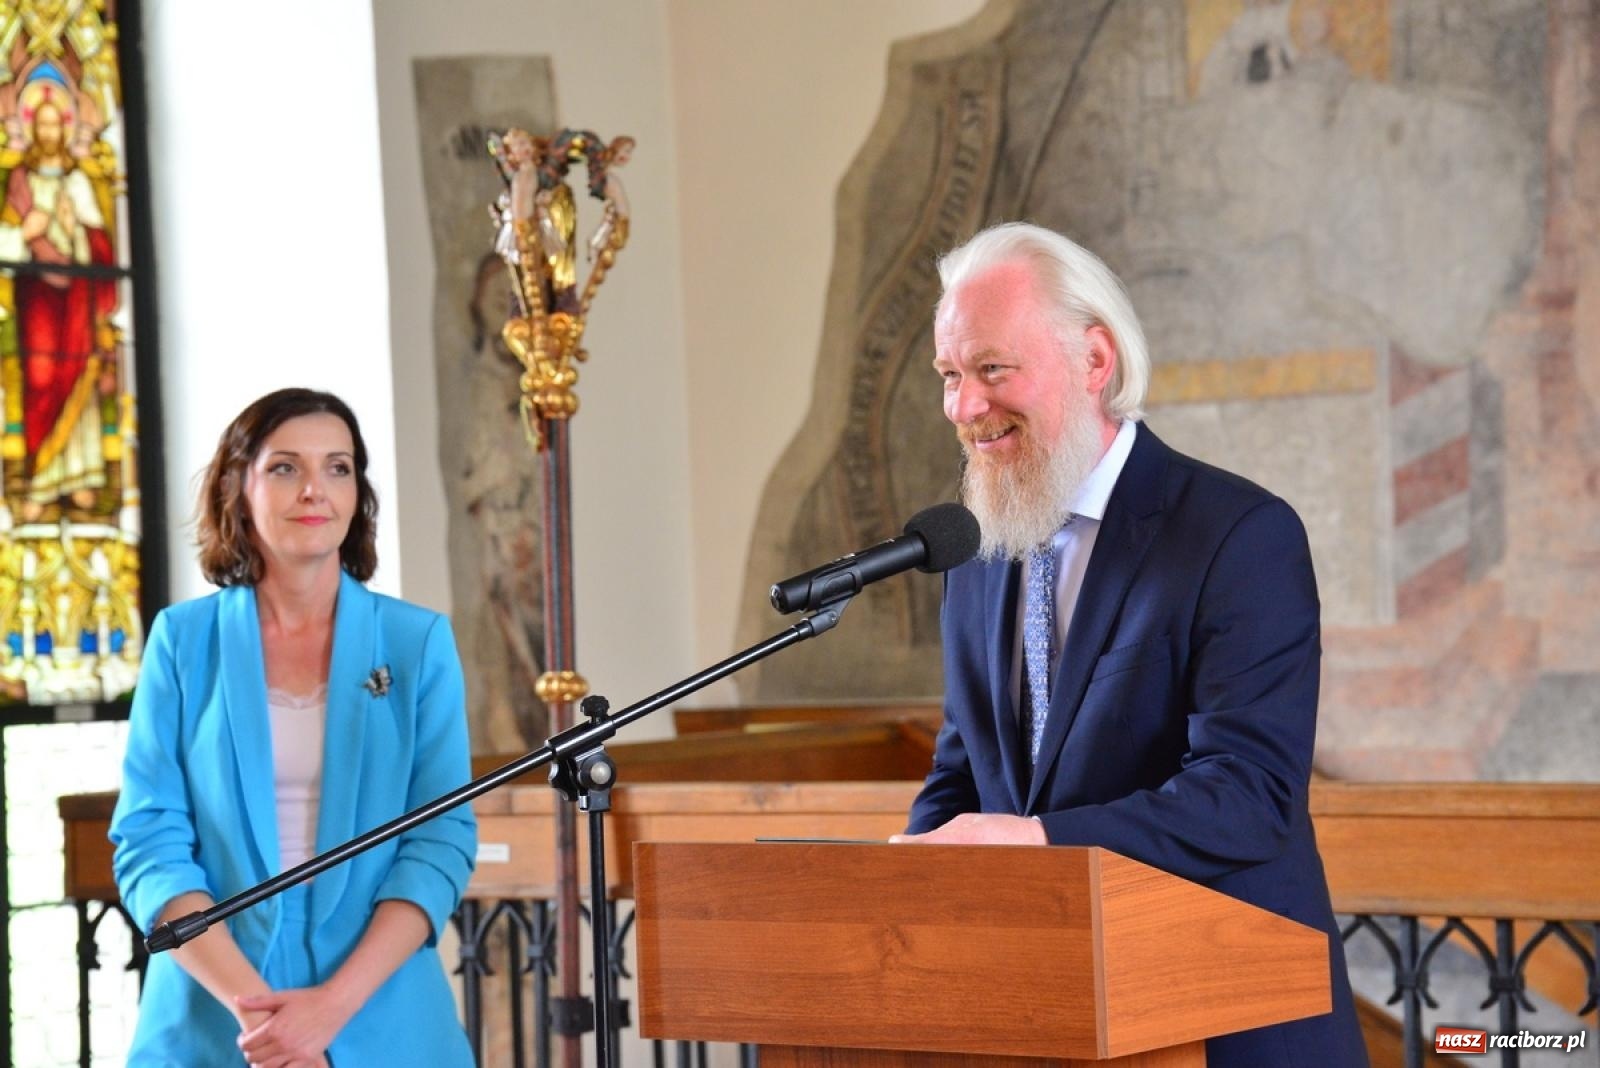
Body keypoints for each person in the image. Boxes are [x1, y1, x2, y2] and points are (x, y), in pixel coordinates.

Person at [891, 223, 1366, 1066]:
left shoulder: (1237, 534)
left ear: (1094, 360)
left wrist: (1040, 842)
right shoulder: (976, 553)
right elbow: (964, 776)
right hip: (1051, 1020)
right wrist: (905, 890)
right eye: (950, 376)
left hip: (1227, 1019)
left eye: (993, 369)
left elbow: (1248, 794)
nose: (964, 408)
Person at [109, 388, 476, 1067]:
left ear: (357, 494)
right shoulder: (182, 641)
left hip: (381, 1012)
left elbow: (439, 840)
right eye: (285, 467)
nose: (315, 489)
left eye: (338, 467)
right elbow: (149, 839)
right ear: (237, 487)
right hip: (212, 1013)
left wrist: (328, 1010)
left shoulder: (416, 642)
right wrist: (263, 1023)